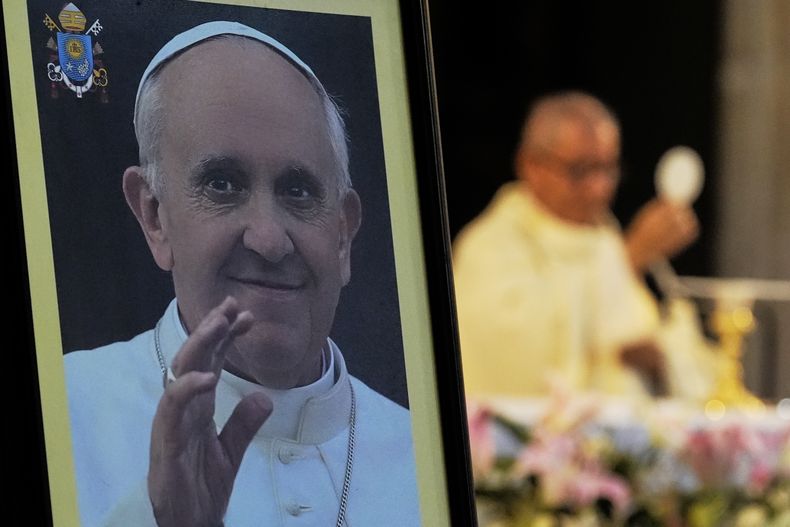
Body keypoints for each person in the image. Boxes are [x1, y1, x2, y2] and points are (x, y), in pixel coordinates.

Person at [64, 21, 420, 526]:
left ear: (343, 235)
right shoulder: (63, 408)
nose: (269, 241)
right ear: (154, 216)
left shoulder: (428, 453)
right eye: (223, 184)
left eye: (298, 190)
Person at [453, 91, 718, 400]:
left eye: (608, 168)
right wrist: (629, 259)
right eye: (580, 170)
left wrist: (661, 359)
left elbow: (670, 348)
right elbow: (512, 354)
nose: (599, 187)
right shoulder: (489, 246)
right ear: (530, 165)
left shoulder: (606, 240)